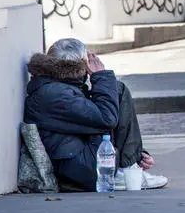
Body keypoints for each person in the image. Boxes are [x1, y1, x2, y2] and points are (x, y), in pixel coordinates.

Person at [24, 38, 168, 192]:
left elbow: (95, 117)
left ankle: (129, 168)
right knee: (114, 93)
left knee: (115, 91)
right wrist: (101, 76)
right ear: (82, 64)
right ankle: (126, 172)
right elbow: (106, 119)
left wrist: (136, 153)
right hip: (81, 168)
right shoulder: (54, 94)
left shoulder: (60, 86)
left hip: (79, 158)